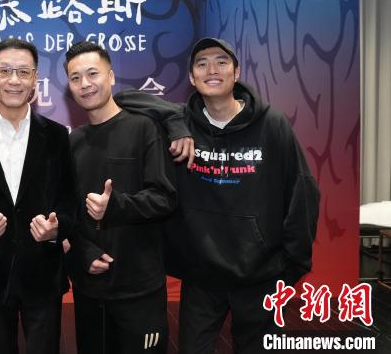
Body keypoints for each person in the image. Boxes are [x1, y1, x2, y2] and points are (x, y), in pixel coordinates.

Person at [115, 38, 320, 354]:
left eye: (221, 62)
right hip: (202, 276)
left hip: (261, 275)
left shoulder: (272, 124)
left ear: (236, 72)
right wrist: (175, 121)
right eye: (202, 64)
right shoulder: (183, 122)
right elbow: (124, 98)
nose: (212, 69)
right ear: (191, 77)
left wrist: (292, 264)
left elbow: (302, 192)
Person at [0, 38, 76, 354]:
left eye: (23, 71)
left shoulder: (57, 136)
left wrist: (57, 228)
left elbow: (69, 201)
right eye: (5, 71)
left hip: (43, 275)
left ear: (35, 79)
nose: (14, 80)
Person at [62, 41, 178, 354]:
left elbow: (165, 198)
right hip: (89, 289)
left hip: (139, 289)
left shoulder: (144, 128)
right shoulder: (72, 142)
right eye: (75, 78)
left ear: (111, 77)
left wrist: (116, 205)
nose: (85, 84)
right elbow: (68, 212)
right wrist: (82, 253)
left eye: (92, 73)